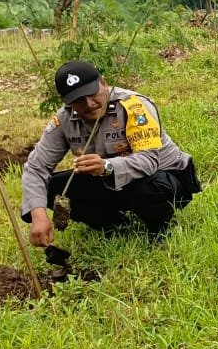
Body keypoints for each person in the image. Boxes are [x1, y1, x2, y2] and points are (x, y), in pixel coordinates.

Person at [20, 61, 201, 249]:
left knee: (151, 186)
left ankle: (160, 230)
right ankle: (113, 225)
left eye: (92, 94)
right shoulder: (64, 118)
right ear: (67, 102)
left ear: (104, 83)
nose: (89, 104)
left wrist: (106, 166)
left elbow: (149, 160)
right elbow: (36, 168)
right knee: (51, 187)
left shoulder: (134, 105)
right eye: (79, 100)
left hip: (165, 176)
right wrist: (38, 214)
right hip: (109, 181)